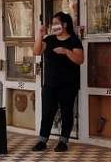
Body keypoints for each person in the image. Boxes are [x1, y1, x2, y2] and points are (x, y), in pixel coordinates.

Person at [32, 11, 84, 152]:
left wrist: (66, 52)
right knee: (48, 111)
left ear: (64, 24)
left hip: (68, 84)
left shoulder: (74, 40)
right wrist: (40, 35)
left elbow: (80, 59)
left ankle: (63, 141)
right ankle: (42, 140)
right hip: (50, 84)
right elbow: (36, 51)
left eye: (56, 24)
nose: (53, 26)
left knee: (67, 112)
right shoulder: (49, 39)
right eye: (53, 24)